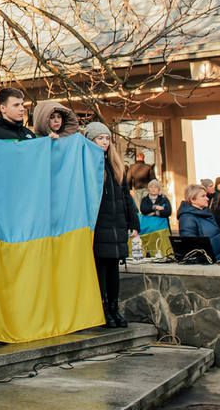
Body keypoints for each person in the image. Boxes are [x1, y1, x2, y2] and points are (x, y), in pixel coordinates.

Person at [85, 121, 139, 329]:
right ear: (90, 140)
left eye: (107, 138)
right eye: (100, 138)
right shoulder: (90, 165)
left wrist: (132, 220)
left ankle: (115, 308)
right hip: (100, 226)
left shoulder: (116, 166)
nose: (104, 142)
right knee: (101, 269)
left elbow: (126, 197)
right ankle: (104, 309)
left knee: (113, 270)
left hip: (116, 225)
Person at [177, 184, 220, 261]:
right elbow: (191, 245)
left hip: (217, 260)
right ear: (193, 199)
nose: (207, 199)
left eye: (206, 195)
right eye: (203, 196)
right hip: (206, 264)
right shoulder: (187, 218)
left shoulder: (207, 213)